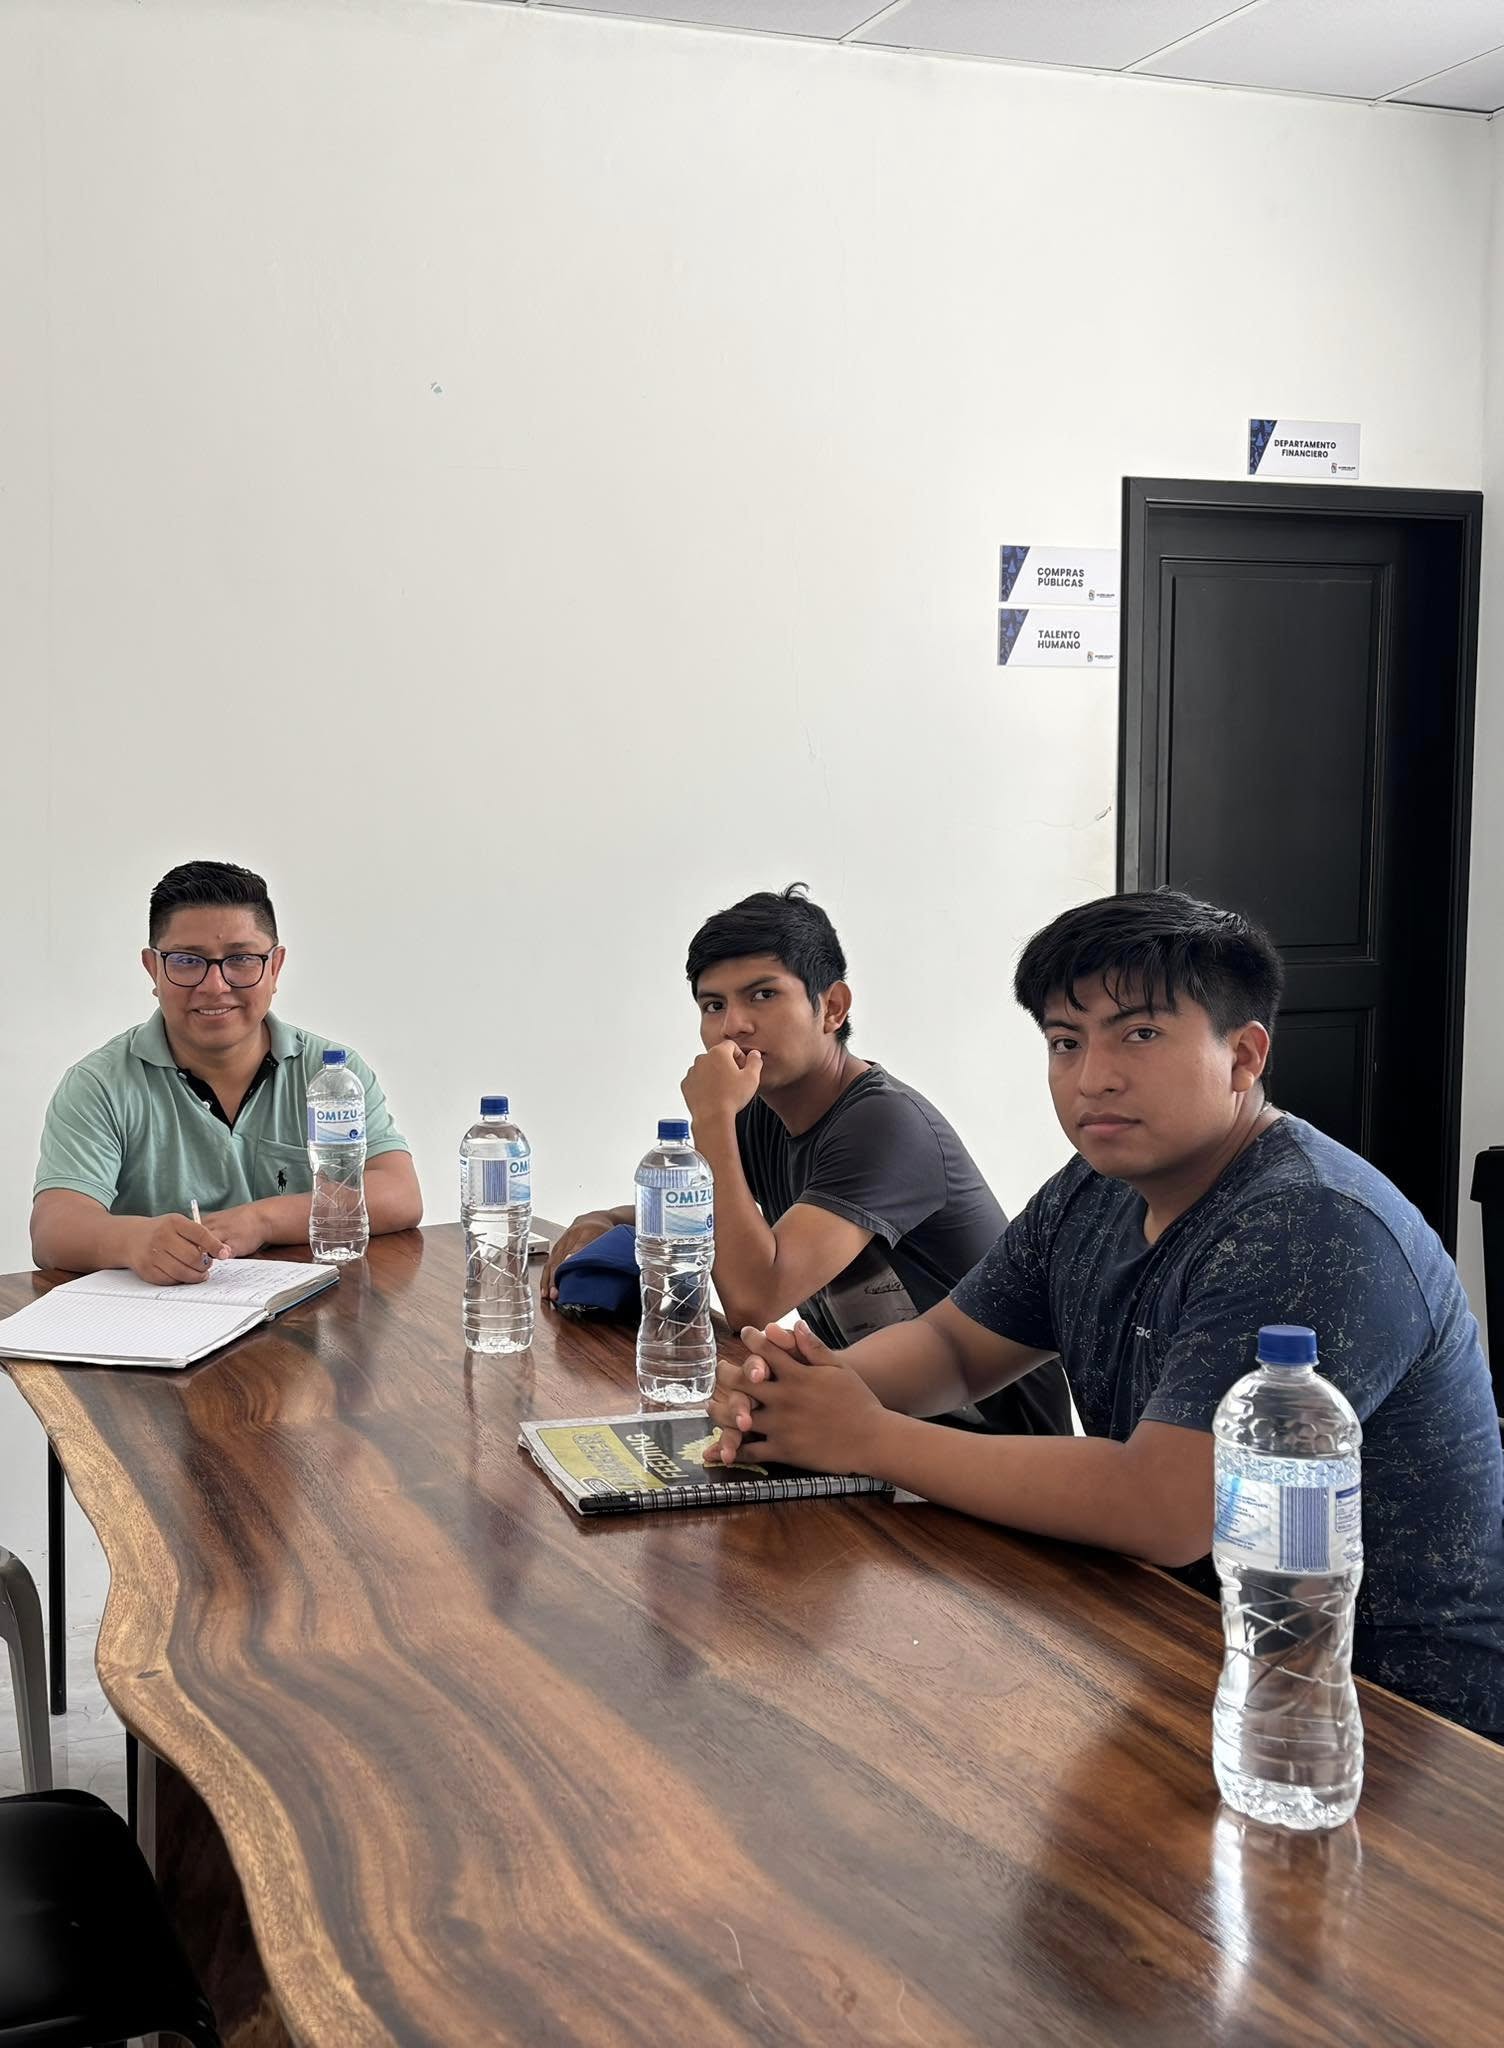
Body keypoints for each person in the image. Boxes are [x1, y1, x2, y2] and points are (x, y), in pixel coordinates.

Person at [707, 889, 1504, 1739]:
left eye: (1141, 1034)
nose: (1093, 1078)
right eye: (1066, 1041)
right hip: (1177, 1644)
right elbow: (955, 1347)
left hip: (1379, 1719)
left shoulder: (1308, 1222)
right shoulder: (1095, 1188)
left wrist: (866, 1437)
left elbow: (1162, 1508)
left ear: (1243, 1056)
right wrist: (791, 1392)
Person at [545, 885, 1071, 1436]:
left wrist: (711, 1119)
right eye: (713, 1005)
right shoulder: (760, 1114)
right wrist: (608, 1219)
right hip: (869, 1420)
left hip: (986, 1445)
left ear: (833, 1008)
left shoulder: (883, 1123)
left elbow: (753, 1301)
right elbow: (712, 1216)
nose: (733, 1026)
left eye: (763, 995)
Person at [31, 860, 422, 1283]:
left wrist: (264, 1219)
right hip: (161, 1311)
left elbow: (399, 1194)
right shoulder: (100, 1084)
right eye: (186, 961)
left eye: (241, 959)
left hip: (312, 1311)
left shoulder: (331, 1075)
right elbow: (53, 1230)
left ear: (275, 967)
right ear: (153, 969)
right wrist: (135, 1240)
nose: (215, 986)